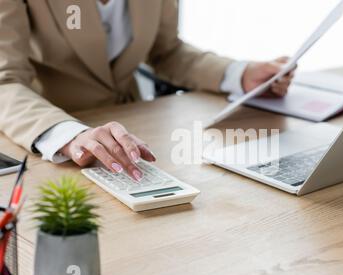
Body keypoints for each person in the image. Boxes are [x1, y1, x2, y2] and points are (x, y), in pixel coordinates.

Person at [0, 0, 294, 181]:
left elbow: (167, 51)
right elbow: (5, 81)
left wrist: (238, 74)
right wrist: (70, 135)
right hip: (53, 143)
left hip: (133, 134)